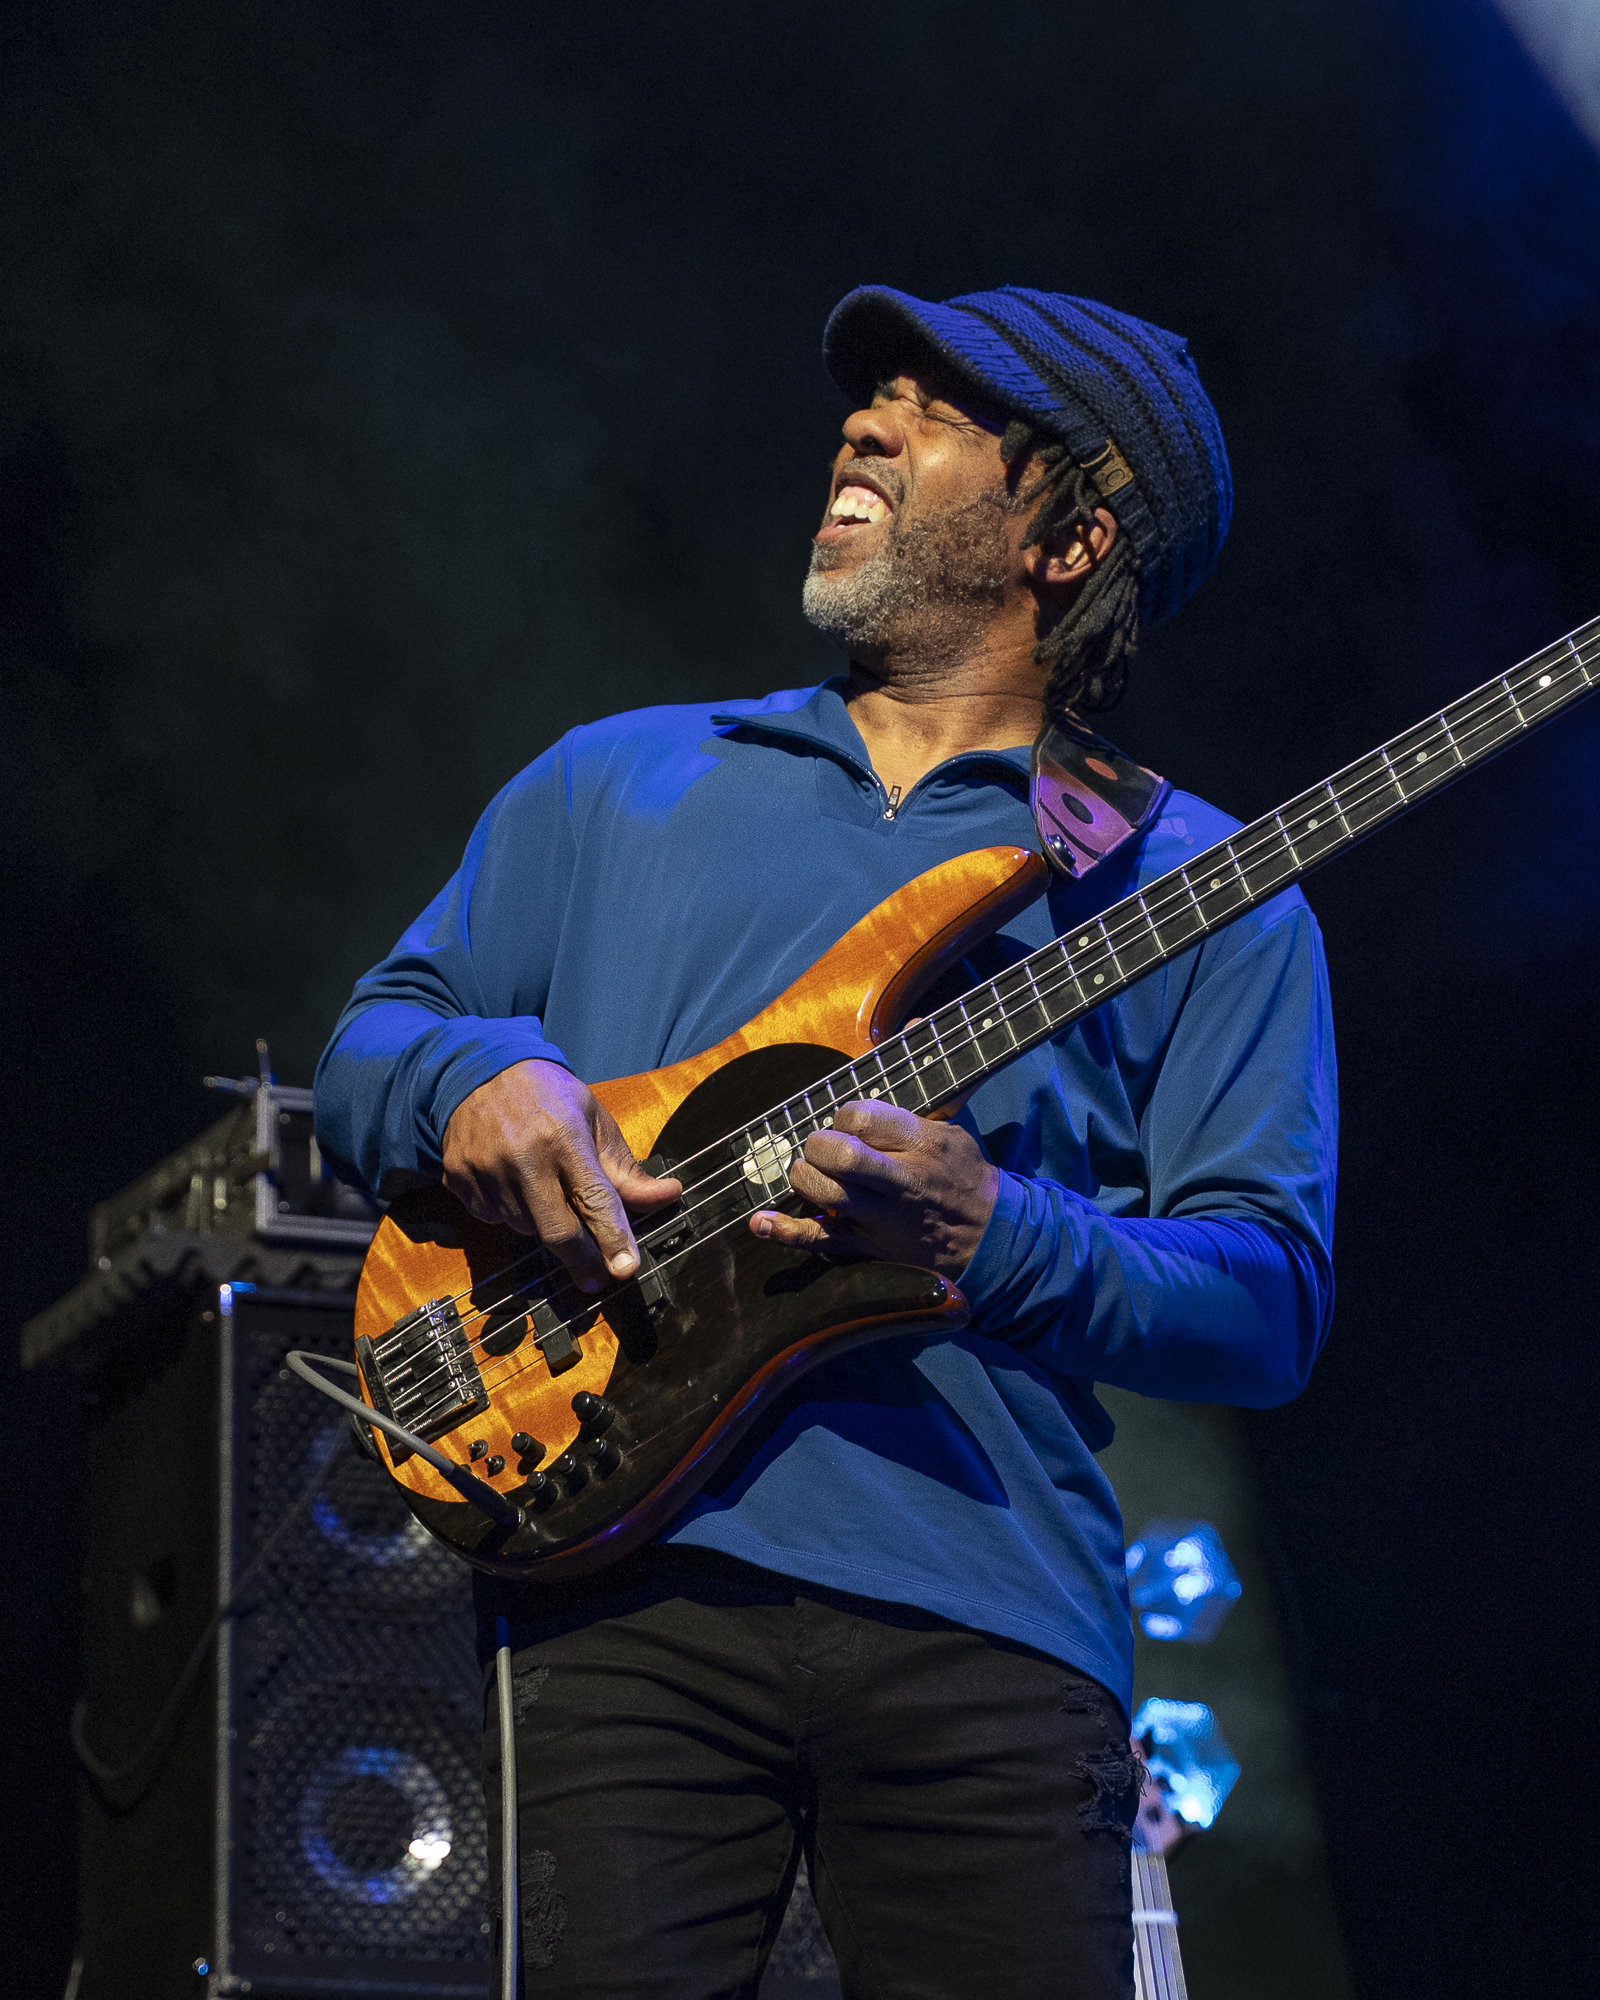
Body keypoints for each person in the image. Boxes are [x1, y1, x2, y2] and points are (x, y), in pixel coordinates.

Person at [314, 284, 1337, 2000]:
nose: (864, 424)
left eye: (939, 414)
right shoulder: (622, 778)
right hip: (624, 1583)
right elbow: (374, 1040)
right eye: (873, 401)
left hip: (994, 1620)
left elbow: (1269, 1300)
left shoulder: (1203, 888)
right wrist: (477, 1080)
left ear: (1071, 536)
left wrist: (996, 1233)